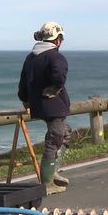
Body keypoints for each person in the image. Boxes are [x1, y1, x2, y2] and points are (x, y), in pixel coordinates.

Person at [18, 22, 71, 195]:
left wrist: (26, 100)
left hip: (38, 105)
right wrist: (54, 89)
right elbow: (59, 76)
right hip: (53, 106)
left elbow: (23, 82)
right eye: (61, 38)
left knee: (64, 132)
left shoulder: (31, 57)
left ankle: (53, 172)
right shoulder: (55, 57)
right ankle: (47, 183)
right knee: (54, 139)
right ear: (57, 40)